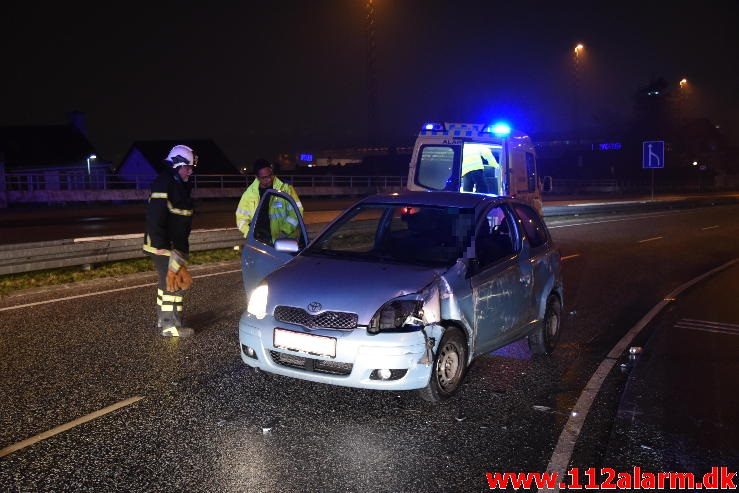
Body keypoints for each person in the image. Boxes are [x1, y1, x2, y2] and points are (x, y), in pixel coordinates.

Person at [143, 144, 197, 338]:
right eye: (187, 167)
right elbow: (155, 216)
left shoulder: (175, 184)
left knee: (168, 283)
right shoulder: (165, 183)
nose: (190, 171)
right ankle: (170, 325)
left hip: (173, 246)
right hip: (165, 247)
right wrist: (161, 246)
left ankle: (163, 320)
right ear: (176, 165)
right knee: (173, 284)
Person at [235, 158, 303, 241]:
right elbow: (241, 219)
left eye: (270, 175)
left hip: (285, 240)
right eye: (264, 177)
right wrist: (251, 234)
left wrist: (285, 232)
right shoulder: (249, 194)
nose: (269, 179)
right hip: (260, 241)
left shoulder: (286, 188)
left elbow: (297, 212)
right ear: (257, 177)